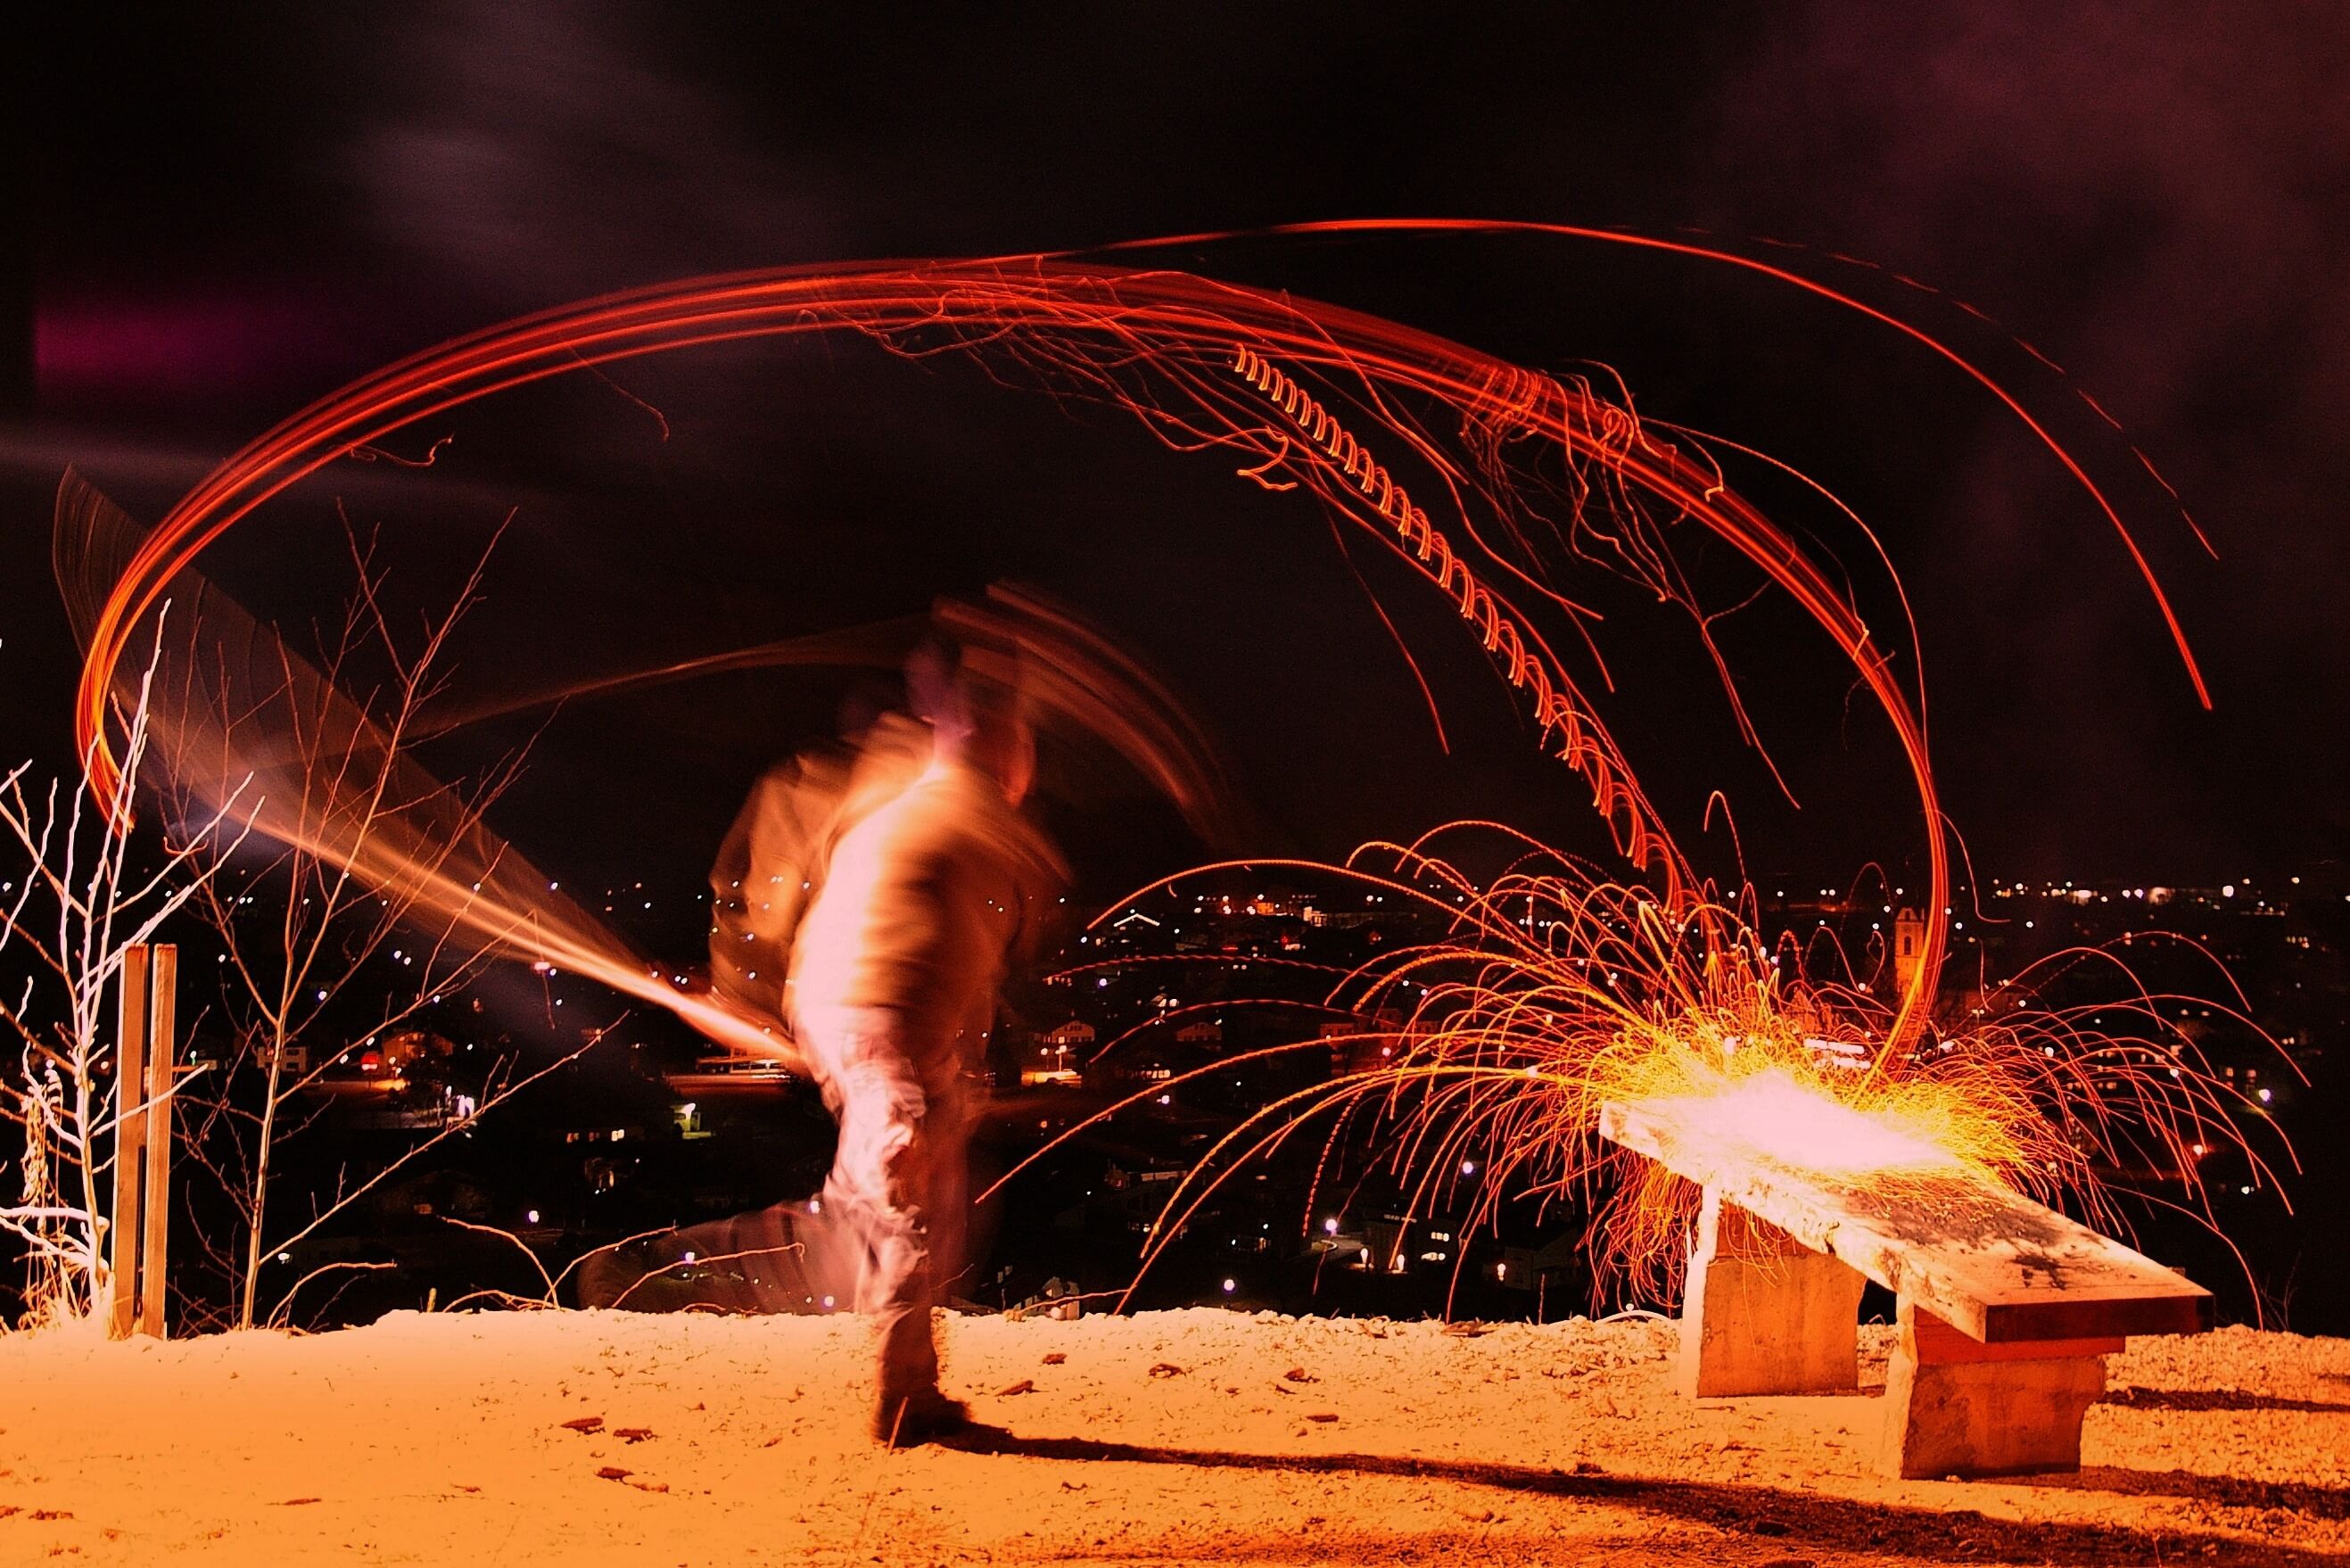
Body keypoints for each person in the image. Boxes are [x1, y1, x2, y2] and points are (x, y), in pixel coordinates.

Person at [784, 647, 1065, 1445]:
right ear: (994, 750)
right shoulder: (968, 818)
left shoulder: (915, 803)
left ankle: (897, 1351)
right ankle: (907, 1398)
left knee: (912, 1189)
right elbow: (951, 962)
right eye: (1017, 750)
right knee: (912, 1198)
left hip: (850, 1011)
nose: (1024, 771)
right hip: (880, 1017)